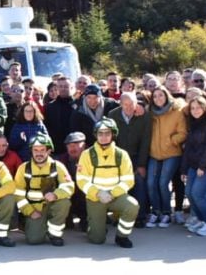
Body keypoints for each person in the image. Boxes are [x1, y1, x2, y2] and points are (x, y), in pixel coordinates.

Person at [76, 119, 138, 248]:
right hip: (95, 198)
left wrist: (111, 193)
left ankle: (121, 236)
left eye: (107, 133)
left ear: (113, 135)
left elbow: (128, 180)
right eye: (100, 133)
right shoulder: (86, 154)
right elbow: (81, 180)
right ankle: (95, 225)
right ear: (96, 135)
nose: (104, 137)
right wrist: (98, 193)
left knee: (132, 205)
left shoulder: (122, 154)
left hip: (116, 196)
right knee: (97, 239)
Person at [14, 134, 74, 246]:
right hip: (34, 209)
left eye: (42, 150)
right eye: (35, 150)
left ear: (49, 151)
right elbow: (18, 194)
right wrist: (29, 211)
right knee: (34, 240)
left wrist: (56, 195)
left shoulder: (58, 166)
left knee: (64, 202)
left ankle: (54, 234)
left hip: (52, 205)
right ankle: (36, 226)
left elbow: (69, 186)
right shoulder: (23, 168)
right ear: (31, 151)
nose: (39, 153)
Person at [179, 97, 206, 236]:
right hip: (193, 165)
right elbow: (188, 149)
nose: (195, 110)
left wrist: (202, 166)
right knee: (189, 194)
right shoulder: (193, 123)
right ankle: (201, 219)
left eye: (198, 107)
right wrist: (184, 169)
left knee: (198, 194)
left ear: (205, 108)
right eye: (192, 108)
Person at [109, 92, 152, 228]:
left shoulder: (144, 116)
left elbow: (146, 141)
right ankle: (119, 215)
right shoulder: (112, 115)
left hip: (136, 156)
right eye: (125, 105)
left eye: (132, 104)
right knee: (118, 185)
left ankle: (140, 216)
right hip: (119, 157)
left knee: (139, 181)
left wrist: (141, 164)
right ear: (120, 104)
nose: (128, 108)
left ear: (136, 103)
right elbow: (111, 140)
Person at [145, 87, 187, 228]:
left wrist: (170, 141)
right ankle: (156, 211)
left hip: (172, 153)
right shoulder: (150, 113)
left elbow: (183, 133)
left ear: (167, 96)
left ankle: (167, 213)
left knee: (163, 183)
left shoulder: (177, 112)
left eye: (161, 95)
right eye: (155, 96)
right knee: (151, 183)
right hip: (154, 153)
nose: (158, 98)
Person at [44, 76, 75, 147]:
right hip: (57, 148)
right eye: (60, 86)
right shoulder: (50, 107)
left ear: (71, 87)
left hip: (74, 146)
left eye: (66, 86)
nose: (63, 88)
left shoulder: (78, 106)